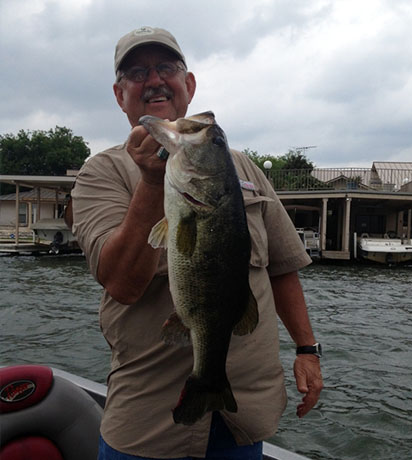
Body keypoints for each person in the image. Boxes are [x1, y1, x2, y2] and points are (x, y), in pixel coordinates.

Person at [71, 26, 323, 460]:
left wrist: (307, 350)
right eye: (137, 72)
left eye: (166, 67)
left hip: (242, 415)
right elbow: (122, 284)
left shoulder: (239, 165)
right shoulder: (100, 175)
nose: (153, 79)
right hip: (148, 423)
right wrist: (152, 180)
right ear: (120, 95)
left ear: (188, 85)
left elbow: (281, 265)